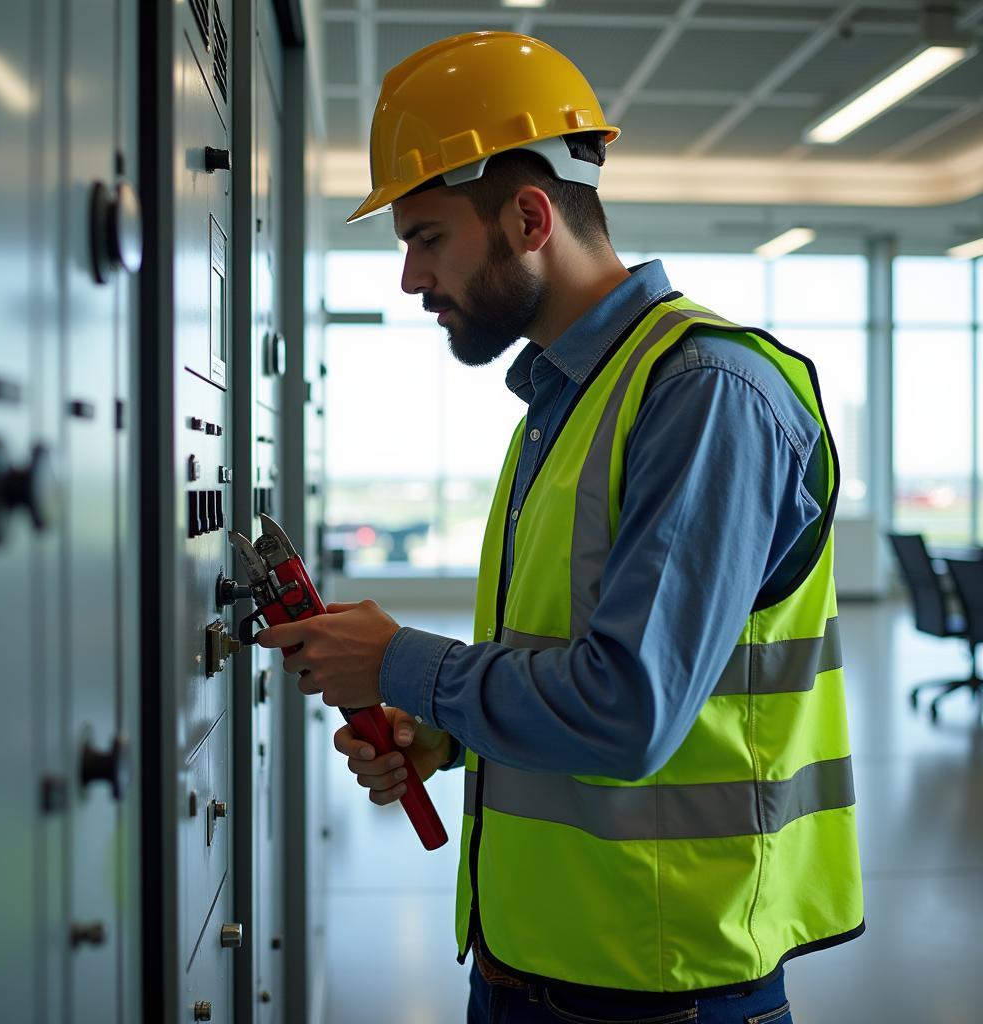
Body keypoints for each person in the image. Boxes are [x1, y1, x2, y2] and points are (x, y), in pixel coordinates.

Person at [259, 31, 864, 1024]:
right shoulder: (563, 403)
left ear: (529, 215)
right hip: (526, 962)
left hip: (662, 989)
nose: (410, 279)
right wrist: (444, 735)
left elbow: (624, 710)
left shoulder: (705, 394)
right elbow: (562, 658)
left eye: (426, 236)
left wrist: (400, 664)